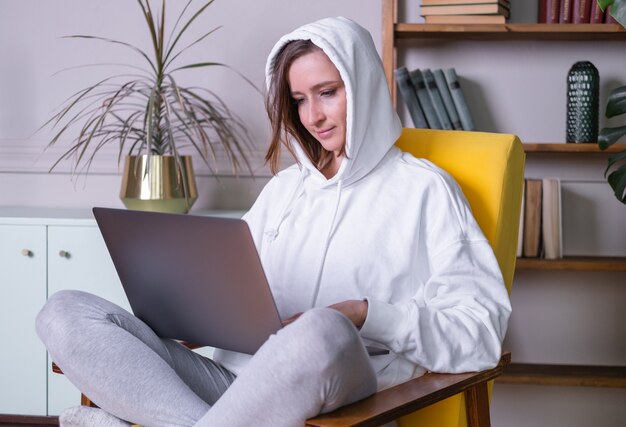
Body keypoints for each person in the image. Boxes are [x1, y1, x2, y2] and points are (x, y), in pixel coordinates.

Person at [36, 16, 511, 427]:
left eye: (327, 93)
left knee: (322, 330)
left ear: (363, 85)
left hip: (339, 387)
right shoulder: (284, 190)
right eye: (300, 99)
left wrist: (363, 314)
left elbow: (480, 335)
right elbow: (238, 292)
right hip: (229, 386)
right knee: (64, 312)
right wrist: (196, 314)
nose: (313, 117)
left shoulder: (425, 190)